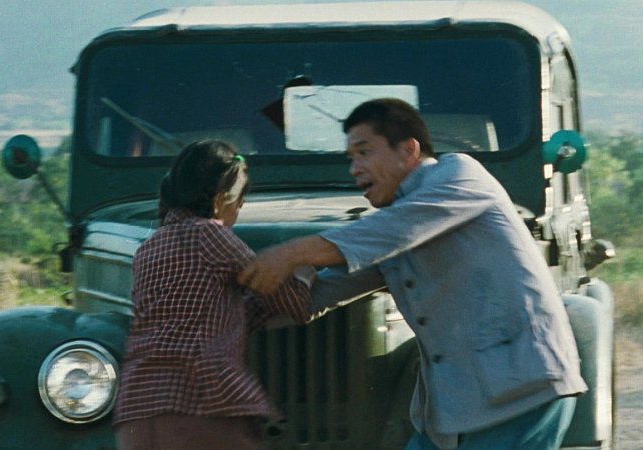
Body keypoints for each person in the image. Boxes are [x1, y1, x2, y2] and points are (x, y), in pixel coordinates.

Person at [239, 98, 587, 450]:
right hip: (455, 413)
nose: (354, 169)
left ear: (408, 150)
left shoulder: (459, 175)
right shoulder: (395, 227)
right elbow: (320, 294)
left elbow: (389, 231)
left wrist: (289, 253)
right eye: (350, 158)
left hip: (521, 394)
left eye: (364, 153)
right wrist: (228, 312)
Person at [114, 140, 313, 450]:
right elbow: (293, 303)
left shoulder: (147, 249)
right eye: (241, 197)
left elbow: (201, 315)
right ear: (221, 198)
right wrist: (302, 269)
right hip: (202, 401)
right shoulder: (212, 235)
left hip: (136, 409)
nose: (241, 207)